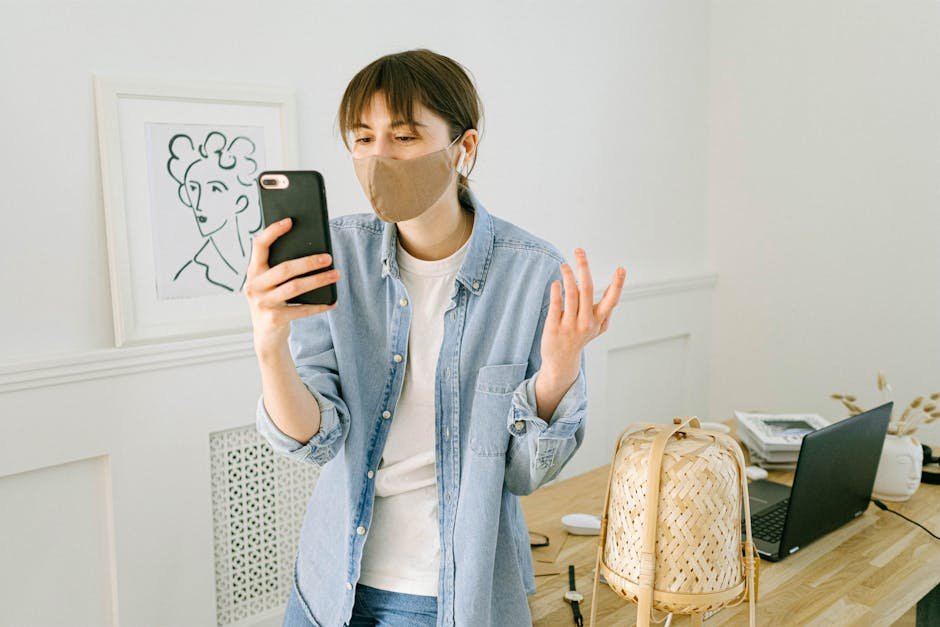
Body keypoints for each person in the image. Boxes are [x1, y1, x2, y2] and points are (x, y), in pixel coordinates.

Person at [247, 49, 626, 627]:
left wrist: (558, 373)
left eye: (403, 136)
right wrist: (269, 341)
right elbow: (317, 441)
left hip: (449, 598)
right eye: (363, 138)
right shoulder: (335, 257)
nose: (379, 156)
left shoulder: (532, 275)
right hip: (328, 588)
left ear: (462, 148)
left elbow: (525, 475)